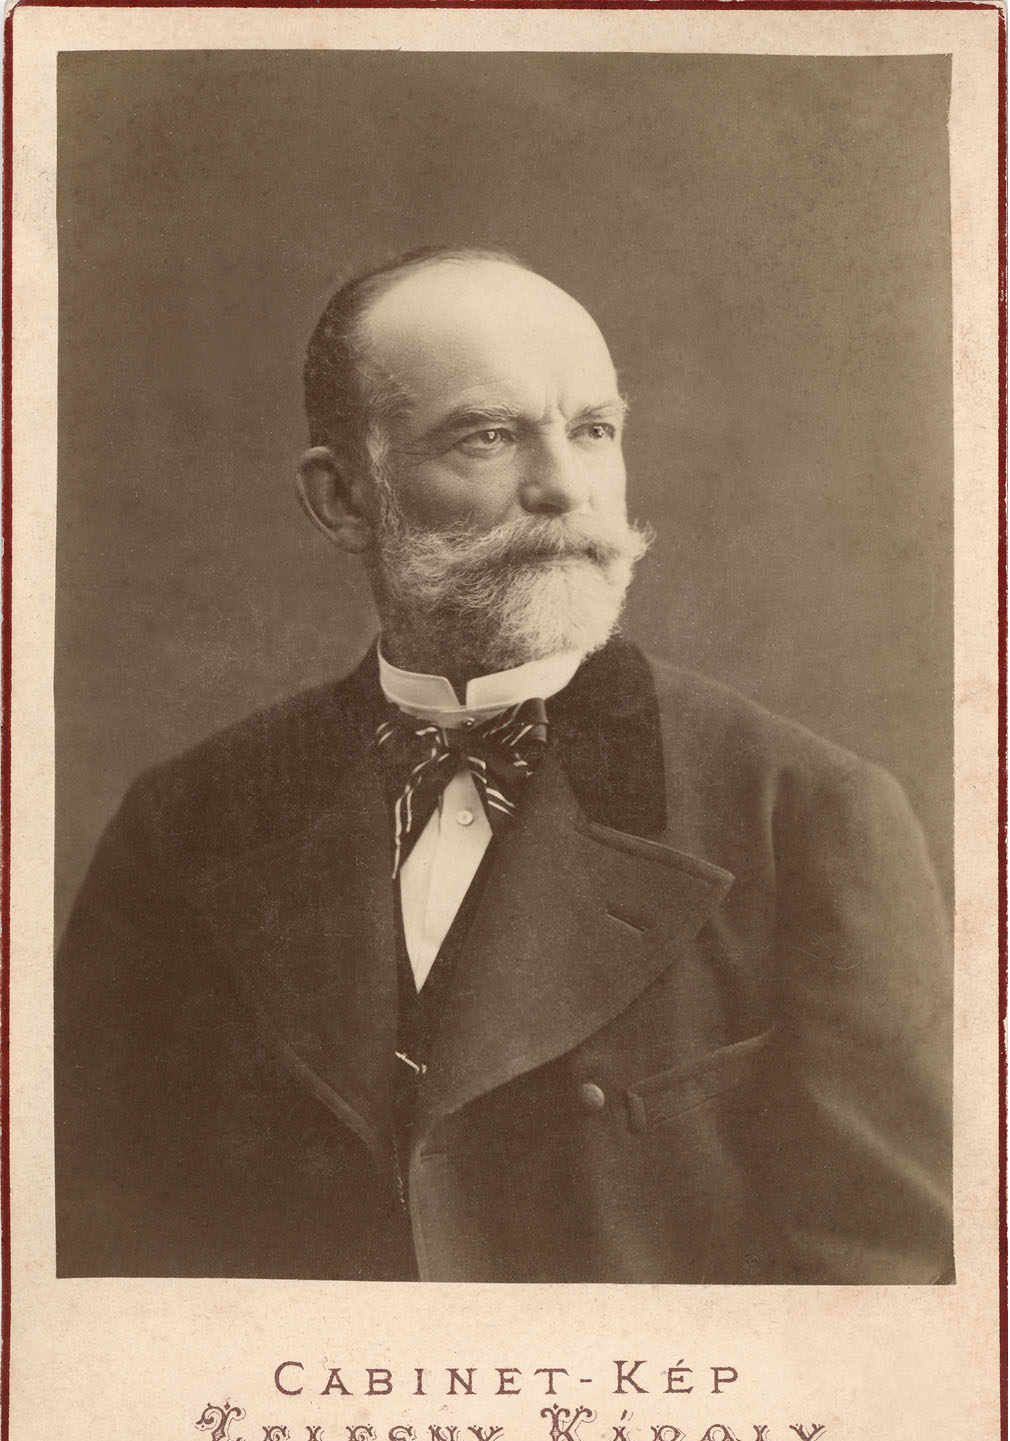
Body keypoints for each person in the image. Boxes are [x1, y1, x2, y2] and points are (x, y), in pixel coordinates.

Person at [54, 247, 952, 1283]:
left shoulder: (807, 816)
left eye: (593, 430)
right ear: (344, 498)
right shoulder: (186, 822)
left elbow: (877, 1287)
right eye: (487, 436)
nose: (564, 487)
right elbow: (92, 1243)